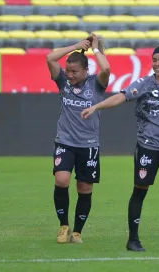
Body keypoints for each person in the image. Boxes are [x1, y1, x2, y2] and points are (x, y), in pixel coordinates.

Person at [81, 46, 159, 250]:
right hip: (148, 146)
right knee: (141, 190)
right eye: (154, 60)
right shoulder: (145, 83)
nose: (156, 63)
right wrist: (96, 106)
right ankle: (133, 240)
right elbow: (121, 96)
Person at [47, 34, 110, 244]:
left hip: (89, 145)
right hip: (65, 141)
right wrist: (76, 45)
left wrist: (95, 49)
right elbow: (50, 58)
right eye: (68, 71)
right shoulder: (63, 81)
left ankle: (78, 232)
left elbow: (107, 69)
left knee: (85, 188)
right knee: (61, 180)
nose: (70, 75)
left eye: (75, 71)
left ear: (86, 70)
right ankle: (64, 226)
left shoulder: (97, 84)